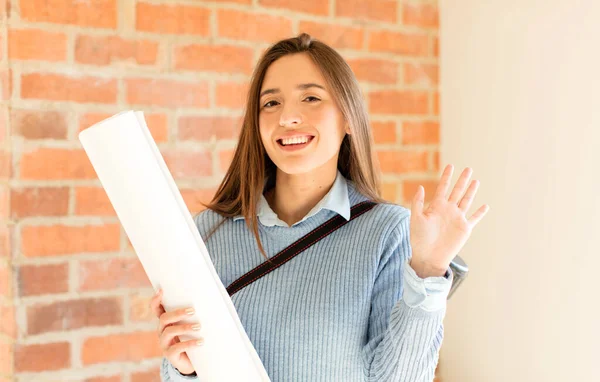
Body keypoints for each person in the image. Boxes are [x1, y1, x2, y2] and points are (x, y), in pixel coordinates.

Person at [151, 33, 489, 382]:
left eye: (310, 97)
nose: (288, 118)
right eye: (271, 104)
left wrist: (429, 269)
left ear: (348, 118)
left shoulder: (388, 232)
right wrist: (182, 368)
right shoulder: (208, 232)